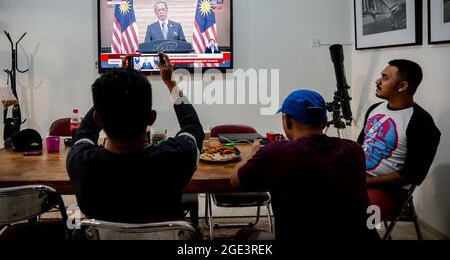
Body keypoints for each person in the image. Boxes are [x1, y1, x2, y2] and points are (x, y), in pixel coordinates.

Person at [66, 53, 203, 223]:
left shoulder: (79, 161)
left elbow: (84, 131)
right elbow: (192, 127)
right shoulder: (176, 157)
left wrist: (114, 90)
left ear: (98, 119)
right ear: (151, 118)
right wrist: (170, 82)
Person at [231, 90, 377, 241]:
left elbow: (236, 180)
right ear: (324, 121)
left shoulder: (274, 153)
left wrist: (251, 156)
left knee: (244, 235)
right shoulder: (354, 151)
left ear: (286, 120)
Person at [357, 59, 440, 220]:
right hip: (360, 177)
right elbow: (360, 146)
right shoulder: (375, 109)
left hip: (390, 189)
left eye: (385, 77)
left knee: (362, 217)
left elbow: (413, 175)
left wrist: (367, 182)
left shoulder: (421, 123)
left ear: (402, 86)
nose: (378, 81)